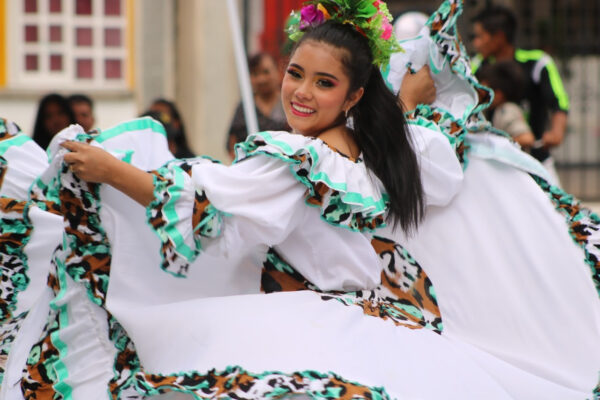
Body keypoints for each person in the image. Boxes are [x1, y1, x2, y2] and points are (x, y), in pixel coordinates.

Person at [471, 5, 569, 184]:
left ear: (499, 36)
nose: (475, 43)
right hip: (497, 166)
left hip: (537, 161)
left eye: (480, 36)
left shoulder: (538, 63)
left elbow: (559, 102)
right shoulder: (477, 67)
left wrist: (556, 132)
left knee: (554, 210)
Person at [225, 52, 289, 159]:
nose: (261, 79)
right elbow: (232, 142)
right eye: (255, 74)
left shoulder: (288, 103)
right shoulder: (245, 107)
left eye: (266, 72)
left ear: (277, 71)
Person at [476, 60, 535, 148]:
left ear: (498, 94)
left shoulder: (507, 110)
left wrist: (495, 145)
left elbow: (527, 139)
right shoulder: (488, 111)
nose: (478, 94)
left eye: (483, 91)